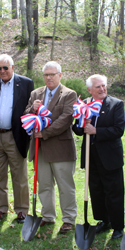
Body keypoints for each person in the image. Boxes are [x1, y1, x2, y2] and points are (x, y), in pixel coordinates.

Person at [0, 54, 34, 223]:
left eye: (5, 68)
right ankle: (1, 209)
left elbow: (31, 107)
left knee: (19, 176)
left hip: (15, 135)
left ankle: (22, 210)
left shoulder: (26, 83)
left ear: (13, 67)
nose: (2, 71)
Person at [25, 61, 78, 234]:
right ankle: (47, 215)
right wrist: (32, 110)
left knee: (65, 186)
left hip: (60, 148)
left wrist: (44, 133)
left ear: (60, 75)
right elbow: (26, 115)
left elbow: (66, 118)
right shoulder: (36, 93)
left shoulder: (69, 94)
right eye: (46, 74)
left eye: (52, 74)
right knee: (44, 185)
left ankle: (69, 219)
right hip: (40, 149)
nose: (49, 78)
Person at [72, 74, 125, 240]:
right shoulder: (84, 105)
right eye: (98, 87)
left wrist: (96, 131)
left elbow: (119, 130)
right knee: (96, 190)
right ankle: (104, 220)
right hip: (91, 155)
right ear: (89, 90)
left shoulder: (116, 104)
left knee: (113, 191)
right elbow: (77, 128)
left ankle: (117, 226)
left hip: (110, 156)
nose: (102, 89)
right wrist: (82, 125)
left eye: (104, 85)